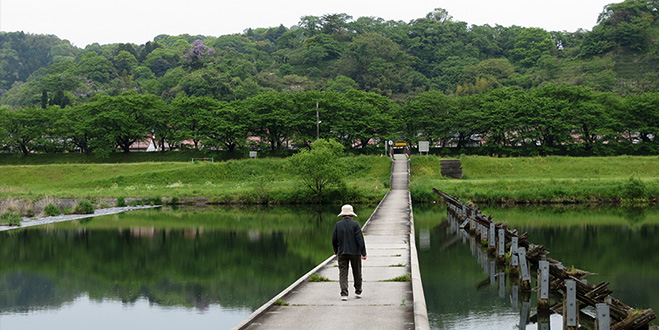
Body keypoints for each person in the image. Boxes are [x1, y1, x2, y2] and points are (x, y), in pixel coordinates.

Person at [332, 204, 367, 301]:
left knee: (343, 273)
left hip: (342, 252)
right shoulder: (356, 225)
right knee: (357, 272)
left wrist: (335, 250)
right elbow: (360, 239)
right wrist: (363, 252)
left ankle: (344, 294)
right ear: (351, 214)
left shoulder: (338, 225)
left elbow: (334, 239)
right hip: (355, 252)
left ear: (342, 215)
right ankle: (358, 291)